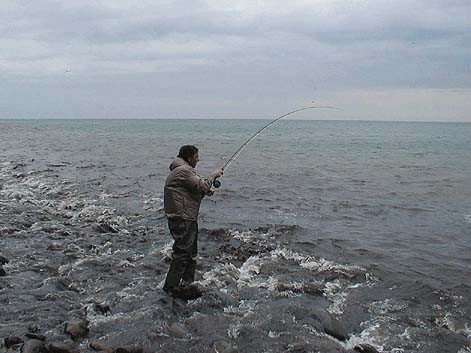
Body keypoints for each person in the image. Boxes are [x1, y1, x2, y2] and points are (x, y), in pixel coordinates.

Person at [162, 145, 223, 298]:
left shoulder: (181, 171)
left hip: (186, 216)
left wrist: (205, 190)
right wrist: (213, 175)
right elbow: (201, 184)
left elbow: (193, 189)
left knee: (190, 252)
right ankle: (170, 287)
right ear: (189, 157)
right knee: (183, 252)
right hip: (183, 218)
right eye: (196, 157)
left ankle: (186, 283)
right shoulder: (183, 170)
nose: (198, 159)